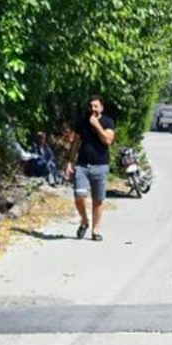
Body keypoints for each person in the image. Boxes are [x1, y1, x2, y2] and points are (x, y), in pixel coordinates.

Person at [65, 95, 116, 241]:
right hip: (82, 166)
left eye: (96, 106)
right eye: (91, 106)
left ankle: (95, 230)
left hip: (101, 166)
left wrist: (97, 125)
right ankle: (84, 221)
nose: (93, 109)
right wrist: (69, 162)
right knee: (79, 196)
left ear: (101, 107)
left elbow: (107, 140)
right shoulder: (82, 122)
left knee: (97, 200)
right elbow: (76, 143)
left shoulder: (108, 122)